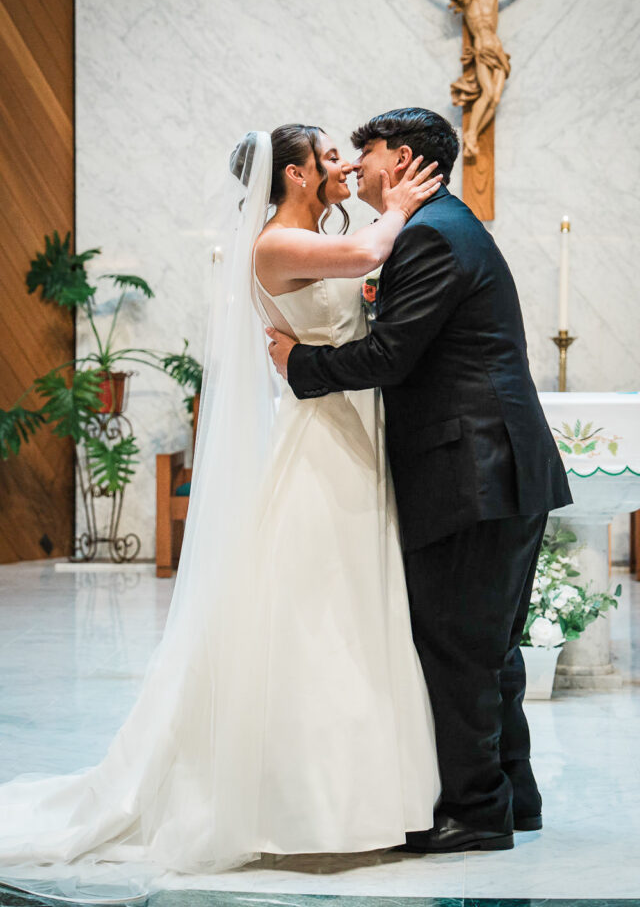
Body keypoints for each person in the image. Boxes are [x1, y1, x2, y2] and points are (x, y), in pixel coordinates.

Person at [0, 126, 442, 898]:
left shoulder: (309, 235)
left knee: (355, 607)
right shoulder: (274, 243)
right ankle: (299, 809)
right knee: (317, 611)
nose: (343, 164)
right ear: (295, 174)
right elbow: (367, 253)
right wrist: (399, 203)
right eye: (328, 156)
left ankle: (370, 802)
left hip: (354, 430)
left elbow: (358, 282)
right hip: (322, 440)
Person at [267, 106, 573, 854]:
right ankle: (514, 794)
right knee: (490, 646)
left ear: (399, 159)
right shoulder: (439, 225)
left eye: (366, 152)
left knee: (457, 646)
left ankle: (476, 813)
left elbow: (389, 358)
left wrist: (299, 365)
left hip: (472, 469)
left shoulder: (431, 233)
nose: (356, 166)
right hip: (492, 468)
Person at [402, 0, 553, 157]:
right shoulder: (465, 3)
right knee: (487, 93)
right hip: (481, 51)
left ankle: (472, 135)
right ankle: (471, 134)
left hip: (497, 49)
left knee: (495, 99)